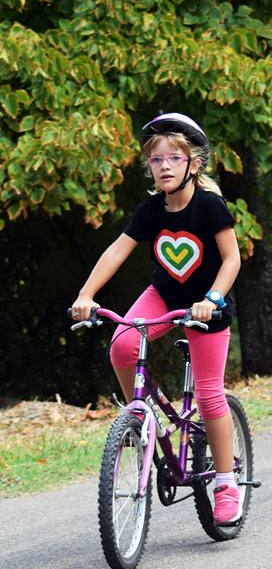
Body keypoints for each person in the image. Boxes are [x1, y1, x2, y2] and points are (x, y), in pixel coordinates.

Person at [70, 114, 243, 525]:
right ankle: (141, 416)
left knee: (208, 394)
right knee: (123, 344)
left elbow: (232, 258)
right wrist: (86, 295)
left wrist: (212, 298)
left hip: (206, 304)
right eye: (156, 159)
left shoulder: (209, 206)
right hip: (164, 296)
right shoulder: (151, 209)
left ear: (193, 164)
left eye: (174, 158)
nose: (164, 166)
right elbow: (117, 250)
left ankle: (225, 483)